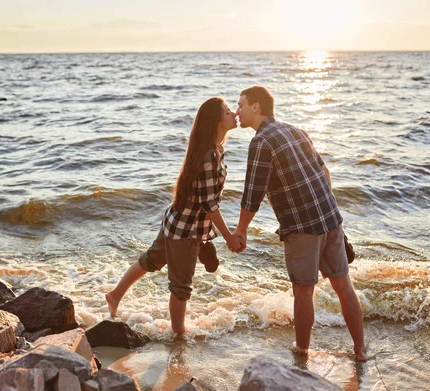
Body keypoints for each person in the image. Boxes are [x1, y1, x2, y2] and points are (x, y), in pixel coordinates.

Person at [232, 86, 367, 361]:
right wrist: (326, 209)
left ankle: (302, 353)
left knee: (303, 293)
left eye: (241, 105)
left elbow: (252, 194)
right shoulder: (296, 130)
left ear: (256, 107)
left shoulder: (261, 142)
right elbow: (324, 172)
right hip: (331, 218)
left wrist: (241, 230)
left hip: (302, 227)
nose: (237, 111)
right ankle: (360, 351)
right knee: (344, 287)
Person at [106, 97, 242, 336]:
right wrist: (229, 237)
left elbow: (205, 200)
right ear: (216, 121)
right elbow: (209, 203)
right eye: (228, 111)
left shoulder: (214, 149)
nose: (234, 114)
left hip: (177, 222)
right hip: (185, 230)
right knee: (181, 287)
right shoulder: (209, 154)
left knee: (152, 260)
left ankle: (114, 295)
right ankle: (178, 337)